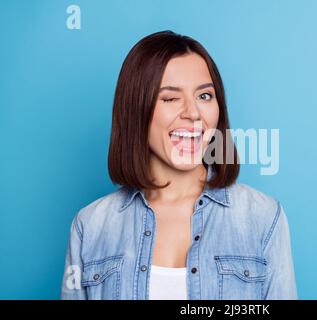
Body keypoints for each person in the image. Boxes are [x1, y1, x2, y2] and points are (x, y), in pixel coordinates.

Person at [60, 30, 297, 300]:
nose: (193, 113)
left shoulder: (263, 218)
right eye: (170, 98)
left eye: (205, 96)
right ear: (136, 110)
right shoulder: (91, 226)